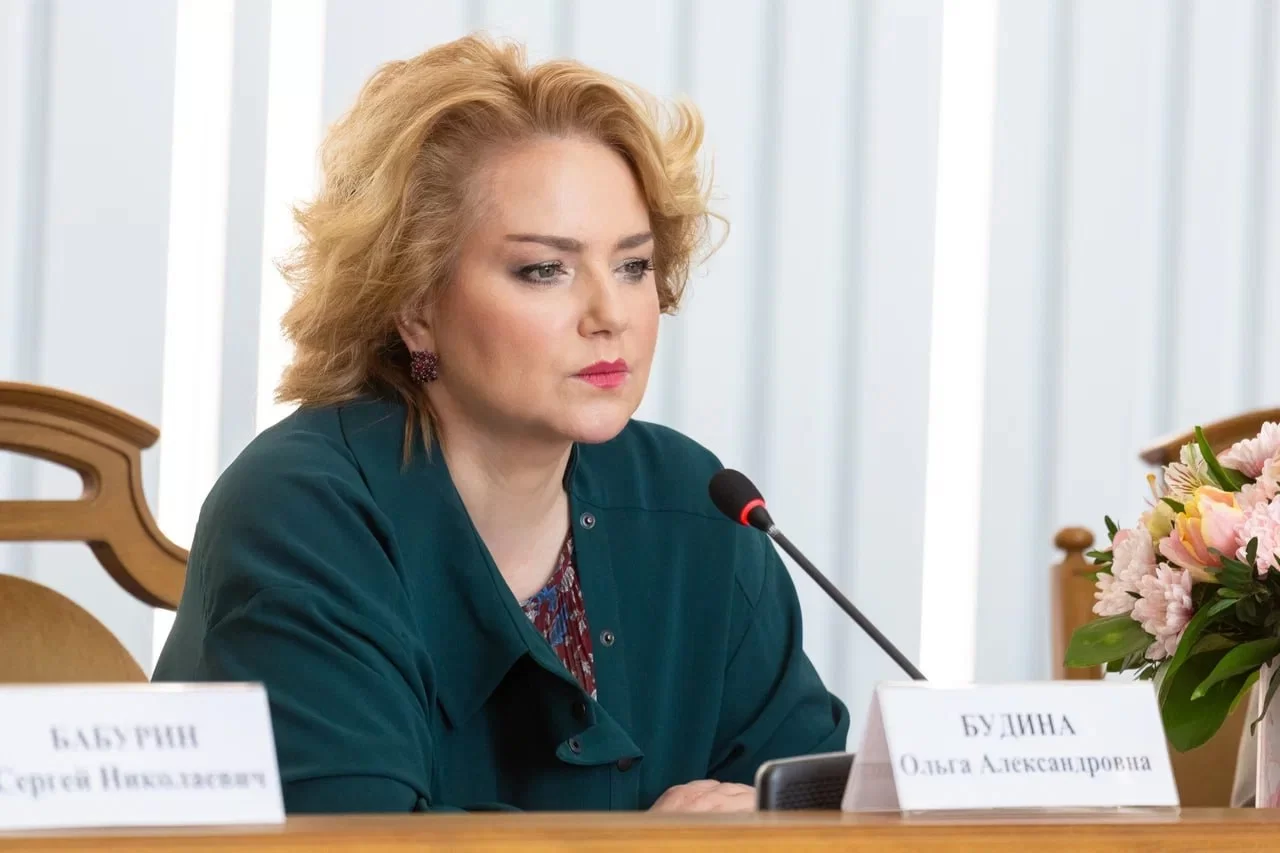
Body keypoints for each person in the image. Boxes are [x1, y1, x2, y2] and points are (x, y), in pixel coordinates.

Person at [153, 34, 848, 813]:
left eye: (633, 265)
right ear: (416, 305)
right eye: (545, 269)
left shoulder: (700, 503)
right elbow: (356, 833)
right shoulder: (300, 512)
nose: (610, 313)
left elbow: (821, 805)